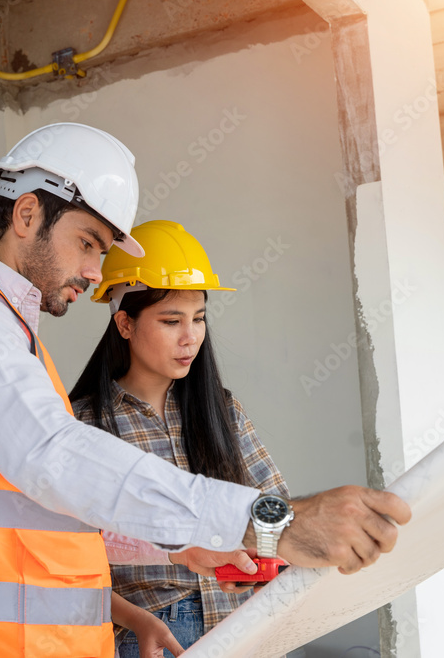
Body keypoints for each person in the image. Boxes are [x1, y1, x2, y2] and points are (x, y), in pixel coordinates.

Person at [0, 122, 411, 657]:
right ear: (26, 213)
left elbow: (35, 514)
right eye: (89, 243)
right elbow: (53, 457)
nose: (97, 272)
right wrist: (266, 521)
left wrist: (175, 545)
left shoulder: (5, 331)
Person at [70, 220, 295, 656]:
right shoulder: (82, 423)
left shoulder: (221, 409)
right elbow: (71, 554)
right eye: (171, 320)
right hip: (156, 634)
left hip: (244, 622)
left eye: (199, 318)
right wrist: (135, 619)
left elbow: (276, 507)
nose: (190, 337)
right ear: (125, 324)